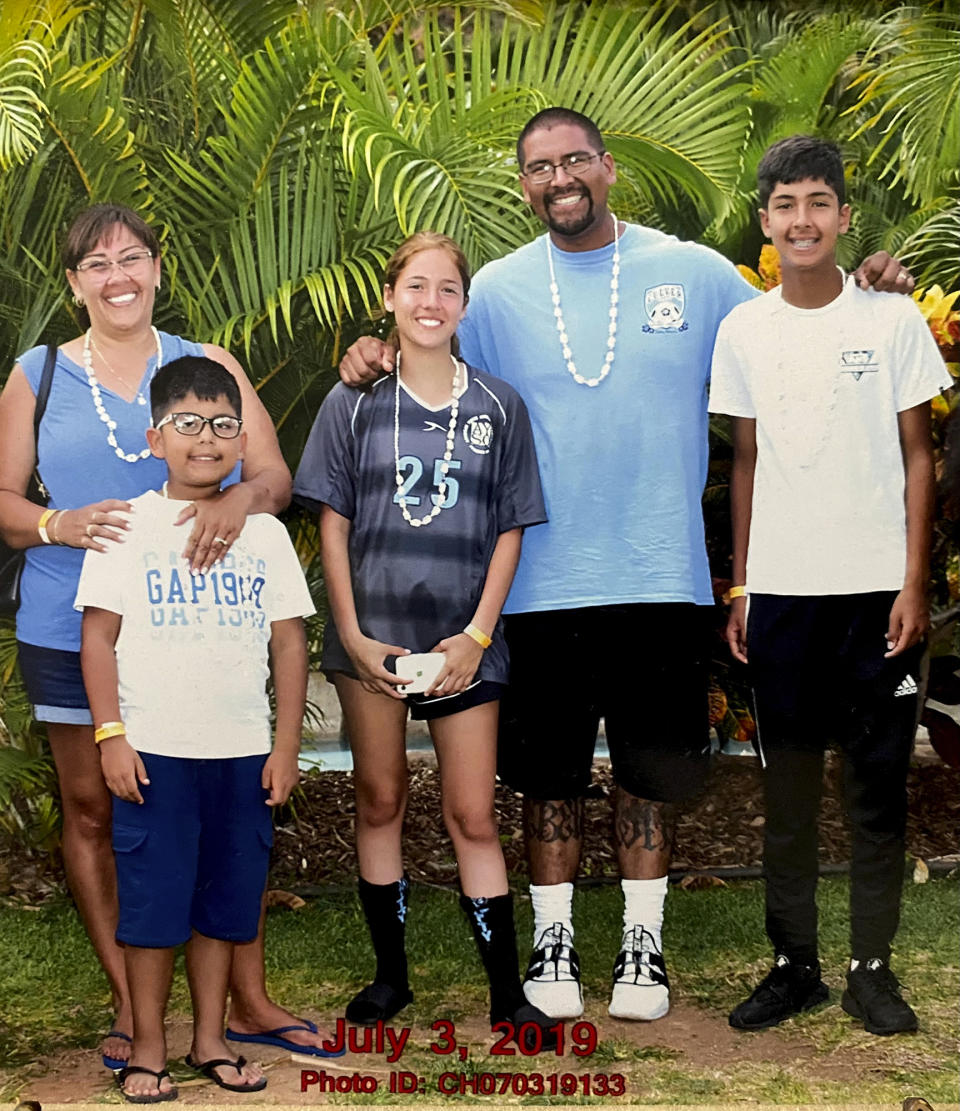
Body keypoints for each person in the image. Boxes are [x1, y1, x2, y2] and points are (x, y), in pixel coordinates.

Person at [337, 108, 917, 1022]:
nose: (559, 178)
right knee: (549, 778)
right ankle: (555, 938)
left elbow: (794, 312)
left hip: (661, 578)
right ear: (524, 184)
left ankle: (643, 949)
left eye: (575, 161)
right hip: (537, 586)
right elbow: (429, 353)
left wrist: (872, 278)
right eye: (539, 168)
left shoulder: (691, 271)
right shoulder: (491, 291)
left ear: (607, 167)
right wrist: (366, 354)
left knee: (652, 775)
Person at [0, 203, 335, 1065]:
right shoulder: (36, 373)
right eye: (98, 264)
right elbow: (2, 502)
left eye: (133, 258)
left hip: (201, 637)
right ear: (74, 283)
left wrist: (235, 498)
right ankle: (130, 1005)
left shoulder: (205, 365)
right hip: (73, 626)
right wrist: (56, 523)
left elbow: (273, 476)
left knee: (230, 808)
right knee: (95, 808)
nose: (119, 276)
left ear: (157, 268)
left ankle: (246, 1002)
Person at [710, 135, 950, 1036]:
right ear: (765, 223)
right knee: (788, 794)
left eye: (818, 201)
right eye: (785, 205)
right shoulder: (745, 329)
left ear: (844, 217)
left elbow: (919, 456)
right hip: (781, 601)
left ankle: (872, 970)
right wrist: (743, 588)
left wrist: (913, 580)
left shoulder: (890, 323)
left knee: (877, 787)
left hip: (876, 600)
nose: (802, 219)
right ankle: (794, 966)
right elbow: (746, 462)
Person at [294, 232, 556, 1048]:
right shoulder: (355, 402)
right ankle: (391, 976)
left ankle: (509, 997)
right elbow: (333, 525)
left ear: (464, 306)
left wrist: (477, 636)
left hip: (463, 643)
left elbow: (511, 528)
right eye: (416, 285)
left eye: (447, 289)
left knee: (472, 814)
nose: (431, 302)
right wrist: (350, 633)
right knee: (380, 801)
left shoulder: (499, 406)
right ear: (389, 297)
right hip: (371, 642)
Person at [77, 355, 315, 1100]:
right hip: (155, 757)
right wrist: (111, 734)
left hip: (242, 754)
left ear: (240, 441)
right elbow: (97, 639)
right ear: (155, 438)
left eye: (221, 425)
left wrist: (284, 746)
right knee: (152, 906)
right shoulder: (127, 526)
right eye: (187, 424)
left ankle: (210, 1037)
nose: (205, 439)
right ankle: (148, 1043)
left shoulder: (265, 536)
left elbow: (289, 642)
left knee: (224, 903)